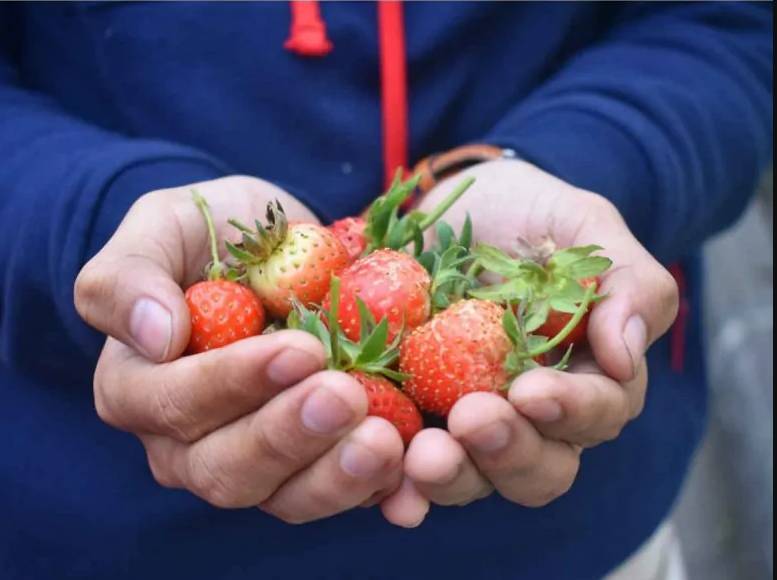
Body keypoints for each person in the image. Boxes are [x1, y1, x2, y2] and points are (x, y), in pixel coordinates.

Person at [0, 2, 771, 579]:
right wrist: (100, 216)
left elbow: (726, 21)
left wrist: (587, 160)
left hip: (579, 541)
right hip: (114, 538)